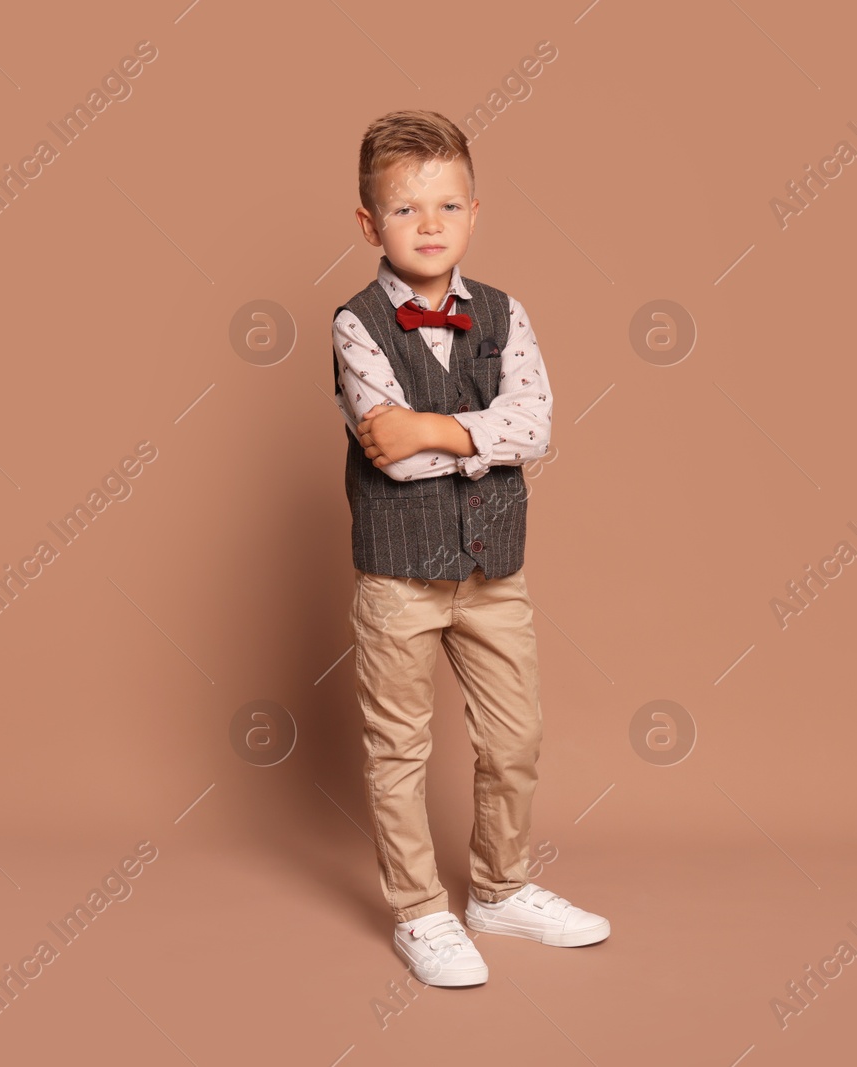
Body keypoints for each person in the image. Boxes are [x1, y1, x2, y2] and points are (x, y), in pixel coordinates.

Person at [333, 109, 610, 988]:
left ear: (474, 214)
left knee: (515, 735)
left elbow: (540, 426)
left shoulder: (503, 311)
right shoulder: (356, 323)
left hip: (497, 571)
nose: (429, 226)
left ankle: (501, 885)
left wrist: (433, 425)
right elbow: (399, 460)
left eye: (448, 207)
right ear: (370, 224)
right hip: (398, 579)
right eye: (408, 210)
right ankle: (421, 910)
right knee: (398, 747)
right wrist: (469, 434)